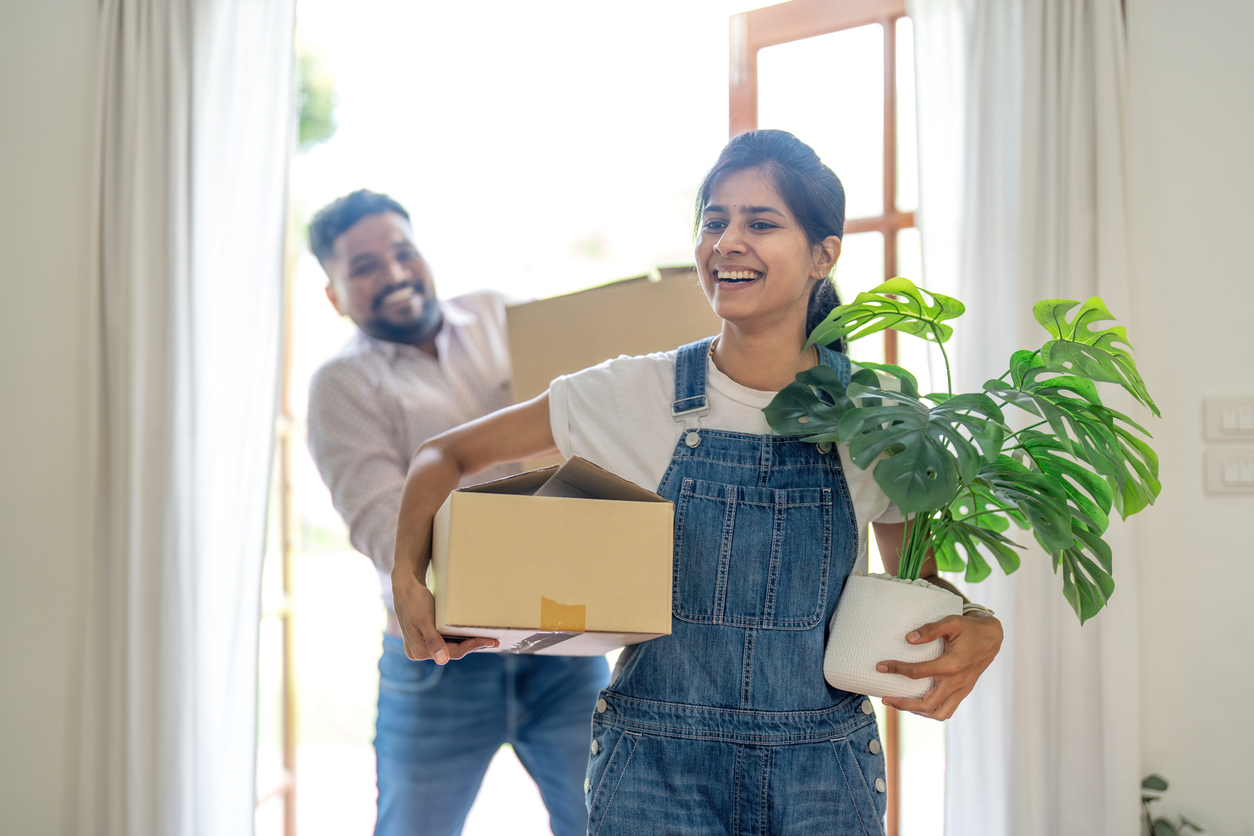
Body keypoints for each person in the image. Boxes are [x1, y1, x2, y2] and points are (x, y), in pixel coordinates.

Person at [388, 132, 1004, 835]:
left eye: (761, 223)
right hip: (654, 773)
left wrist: (979, 625)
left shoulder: (877, 422)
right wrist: (408, 576)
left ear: (823, 254)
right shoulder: (633, 392)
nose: (727, 241)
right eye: (715, 221)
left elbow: (919, 597)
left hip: (822, 780)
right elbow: (444, 455)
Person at [305, 189, 609, 836]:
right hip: (441, 661)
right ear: (334, 294)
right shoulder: (342, 386)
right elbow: (387, 527)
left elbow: (587, 430)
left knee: (604, 821)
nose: (393, 274)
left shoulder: (505, 316)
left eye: (402, 252)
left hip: (565, 644)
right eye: (363, 267)